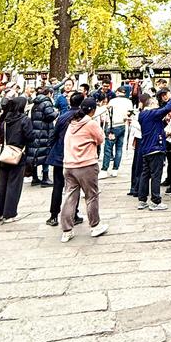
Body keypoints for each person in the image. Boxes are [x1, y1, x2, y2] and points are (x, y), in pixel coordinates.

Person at [60, 97, 108, 242]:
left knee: (69, 197)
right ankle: (95, 226)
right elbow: (101, 139)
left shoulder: (72, 123)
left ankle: (66, 230)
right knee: (91, 196)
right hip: (86, 164)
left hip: (69, 165)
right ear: (93, 110)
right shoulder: (90, 123)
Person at [0, 96, 34, 223]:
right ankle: (9, 214)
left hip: (5, 153)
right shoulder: (25, 120)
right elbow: (30, 137)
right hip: (18, 154)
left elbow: (0, 137)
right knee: (14, 184)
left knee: (1, 184)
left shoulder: (6, 120)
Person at [45, 91, 85, 227]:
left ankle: (53, 216)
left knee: (58, 186)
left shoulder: (63, 117)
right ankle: (74, 214)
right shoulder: (83, 118)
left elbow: (54, 135)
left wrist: (50, 150)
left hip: (59, 156)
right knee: (74, 187)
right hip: (76, 156)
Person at [138, 89, 171, 211]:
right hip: (155, 148)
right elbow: (167, 108)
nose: (157, 105)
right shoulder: (152, 113)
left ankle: (142, 200)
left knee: (145, 174)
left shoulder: (142, 115)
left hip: (146, 149)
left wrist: (164, 122)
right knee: (156, 175)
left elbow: (155, 126)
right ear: (151, 104)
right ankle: (155, 201)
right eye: (155, 103)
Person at [99, 87, 133, 179]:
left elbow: (107, 112)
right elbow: (130, 113)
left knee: (108, 149)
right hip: (123, 125)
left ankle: (104, 170)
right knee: (119, 148)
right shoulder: (129, 102)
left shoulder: (113, 101)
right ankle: (115, 170)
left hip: (112, 126)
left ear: (117, 92)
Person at [27, 87, 56, 187]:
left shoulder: (36, 103)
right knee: (45, 154)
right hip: (45, 132)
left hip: (35, 130)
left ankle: (34, 177)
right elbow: (50, 116)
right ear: (50, 94)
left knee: (35, 154)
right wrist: (56, 112)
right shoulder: (46, 102)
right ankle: (45, 178)